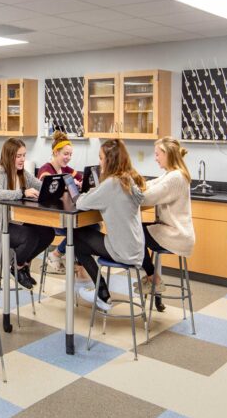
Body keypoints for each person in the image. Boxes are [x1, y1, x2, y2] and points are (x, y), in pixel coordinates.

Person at [74, 139, 145, 312]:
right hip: (136, 248)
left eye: (100, 158)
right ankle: (101, 290)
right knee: (83, 237)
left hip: (122, 250)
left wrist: (91, 193)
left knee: (75, 239)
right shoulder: (128, 179)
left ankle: (101, 292)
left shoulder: (111, 184)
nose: (99, 162)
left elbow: (81, 203)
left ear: (109, 160)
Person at [0, 138, 55, 291]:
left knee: (48, 233)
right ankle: (16, 266)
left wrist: (60, 186)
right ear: (9, 156)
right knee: (30, 236)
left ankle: (22, 265)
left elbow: (41, 186)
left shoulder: (23, 174)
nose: (22, 159)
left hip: (16, 222)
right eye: (18, 156)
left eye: (24, 155)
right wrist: (22, 192)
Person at [138, 137, 196, 310]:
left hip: (176, 235)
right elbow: (150, 185)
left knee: (132, 233)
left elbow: (146, 197)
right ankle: (153, 281)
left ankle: (152, 277)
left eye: (157, 154)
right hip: (171, 231)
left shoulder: (175, 177)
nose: (155, 158)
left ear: (167, 154)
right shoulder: (172, 174)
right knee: (136, 231)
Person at [37, 131, 92, 280]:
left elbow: (81, 178)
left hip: (65, 213)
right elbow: (46, 183)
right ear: (56, 152)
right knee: (81, 230)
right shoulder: (46, 169)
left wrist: (79, 182)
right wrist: (68, 185)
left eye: (70, 155)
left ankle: (68, 259)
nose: (68, 158)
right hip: (51, 217)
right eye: (65, 154)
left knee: (92, 227)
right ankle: (62, 257)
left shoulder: (66, 169)